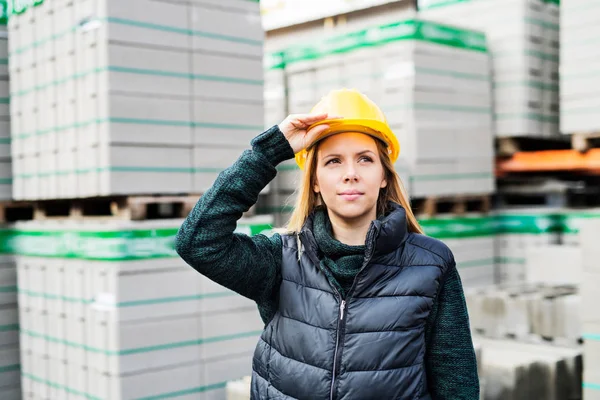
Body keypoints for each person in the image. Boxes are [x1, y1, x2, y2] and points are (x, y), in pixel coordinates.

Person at [175, 88, 480, 399]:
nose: (350, 174)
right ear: (316, 181)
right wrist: (268, 152)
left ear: (384, 175)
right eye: (334, 161)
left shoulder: (431, 263)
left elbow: (456, 384)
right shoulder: (280, 258)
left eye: (365, 159)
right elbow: (197, 242)